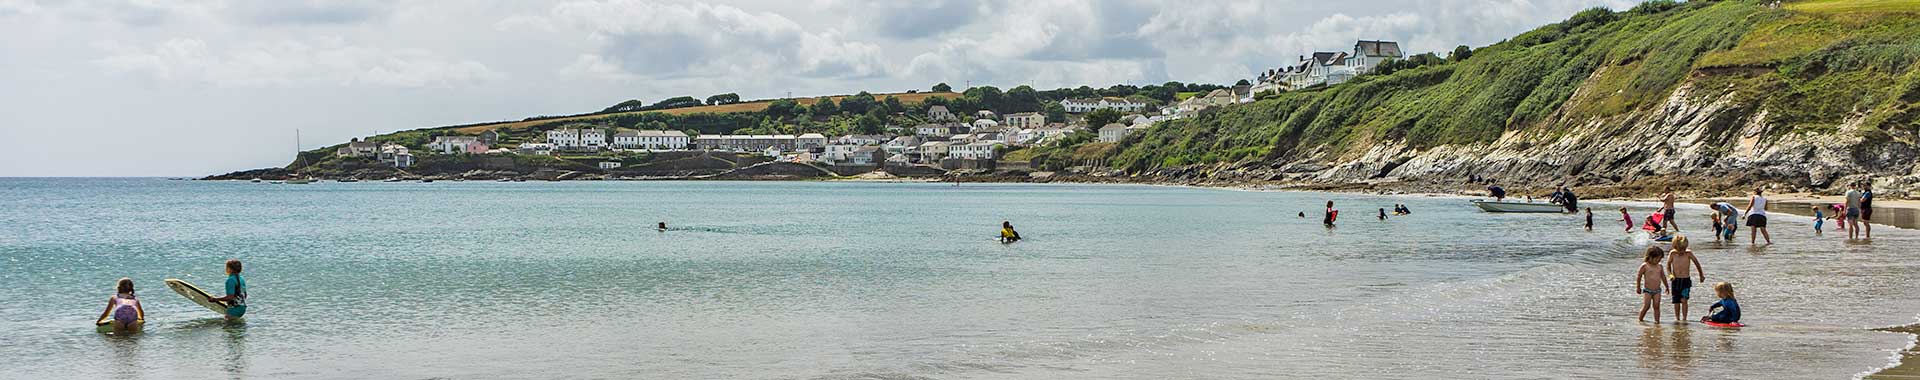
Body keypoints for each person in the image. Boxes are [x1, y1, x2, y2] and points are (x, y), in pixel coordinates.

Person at [1667, 236, 1704, 323]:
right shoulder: (1672, 253)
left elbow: (1697, 264)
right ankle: (1677, 318)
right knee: (1676, 301)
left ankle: (1684, 318)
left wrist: (1701, 275)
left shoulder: (1689, 253)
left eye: (1683, 249)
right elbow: (1668, 265)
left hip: (1685, 280)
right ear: (1674, 247)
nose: (1681, 252)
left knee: (1684, 300)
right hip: (1675, 280)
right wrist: (1670, 275)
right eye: (1679, 250)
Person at [1635, 246, 1668, 323]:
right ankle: (1640, 319)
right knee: (1647, 305)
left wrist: (1667, 286)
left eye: (1660, 259)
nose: (1659, 261)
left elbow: (1663, 276)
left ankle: (1657, 321)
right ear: (1650, 257)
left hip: (1657, 290)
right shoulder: (1645, 266)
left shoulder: (1659, 266)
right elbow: (1639, 276)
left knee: (1656, 306)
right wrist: (1638, 287)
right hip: (1647, 290)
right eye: (1657, 259)